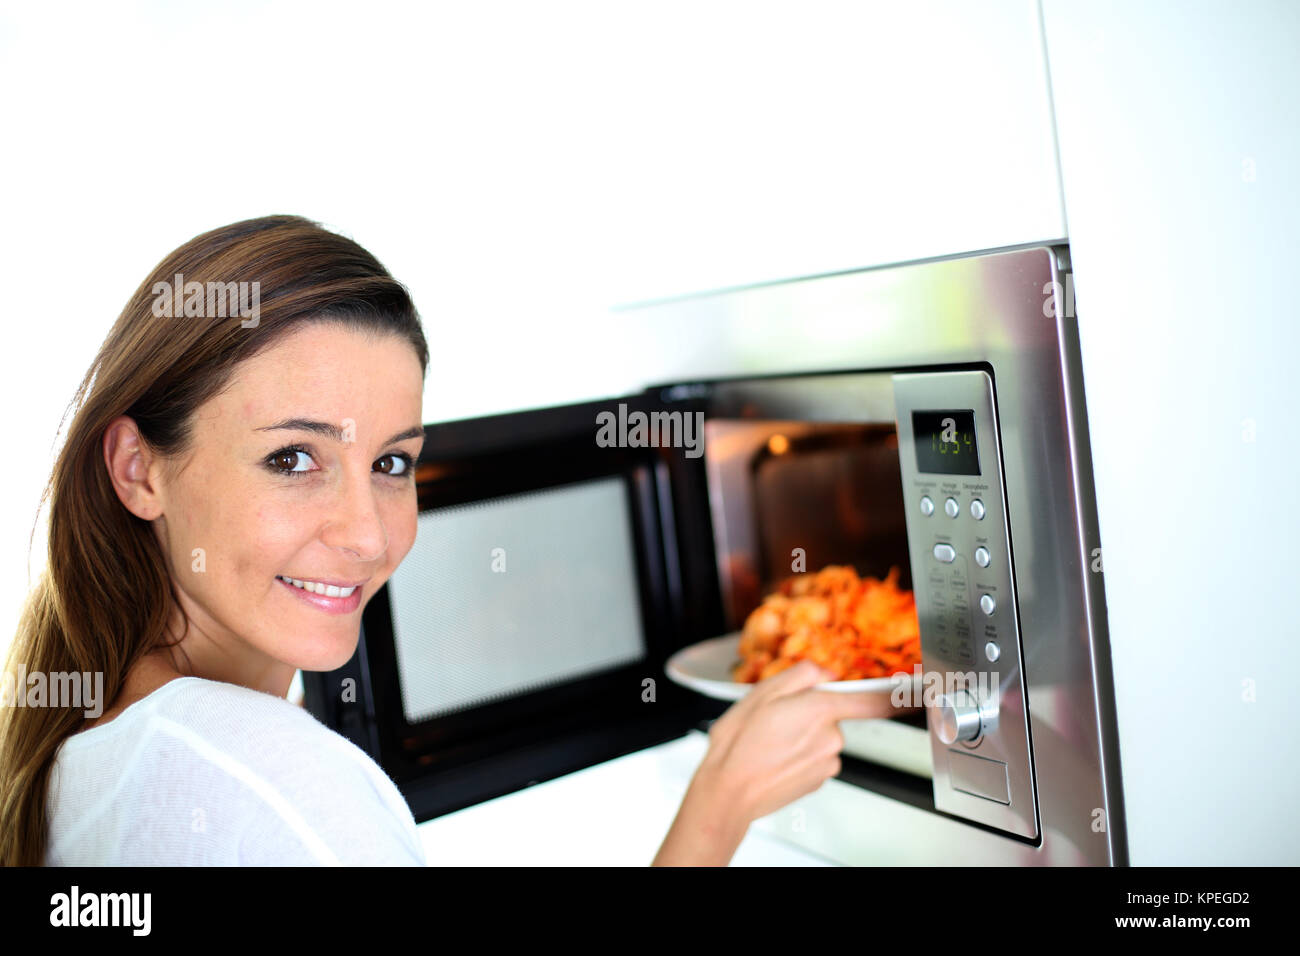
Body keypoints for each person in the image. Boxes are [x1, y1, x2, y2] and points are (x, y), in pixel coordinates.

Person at [0, 216, 892, 867]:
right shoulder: (274, 777)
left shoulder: (84, 749)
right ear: (137, 470)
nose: (366, 536)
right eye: (293, 457)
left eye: (392, 464)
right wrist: (721, 805)